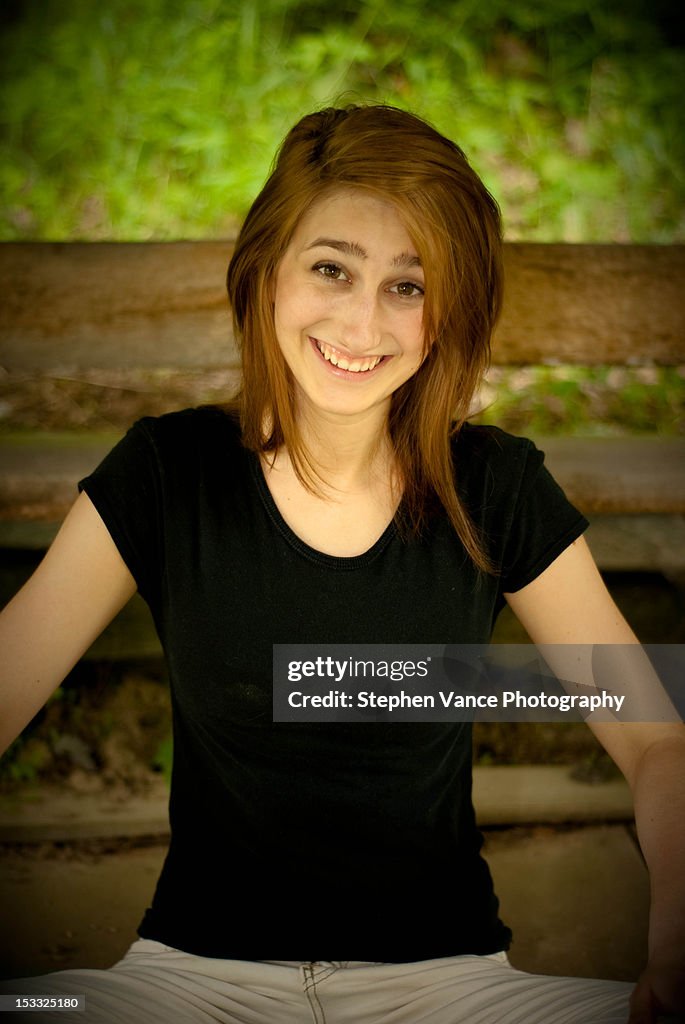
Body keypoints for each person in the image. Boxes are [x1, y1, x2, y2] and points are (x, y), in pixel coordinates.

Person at [0, 104, 683, 1024]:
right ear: (266, 273)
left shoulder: (497, 487)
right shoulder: (168, 475)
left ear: (446, 314)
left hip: (447, 985)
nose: (362, 323)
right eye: (331, 269)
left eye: (407, 286)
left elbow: (650, 740)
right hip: (192, 979)